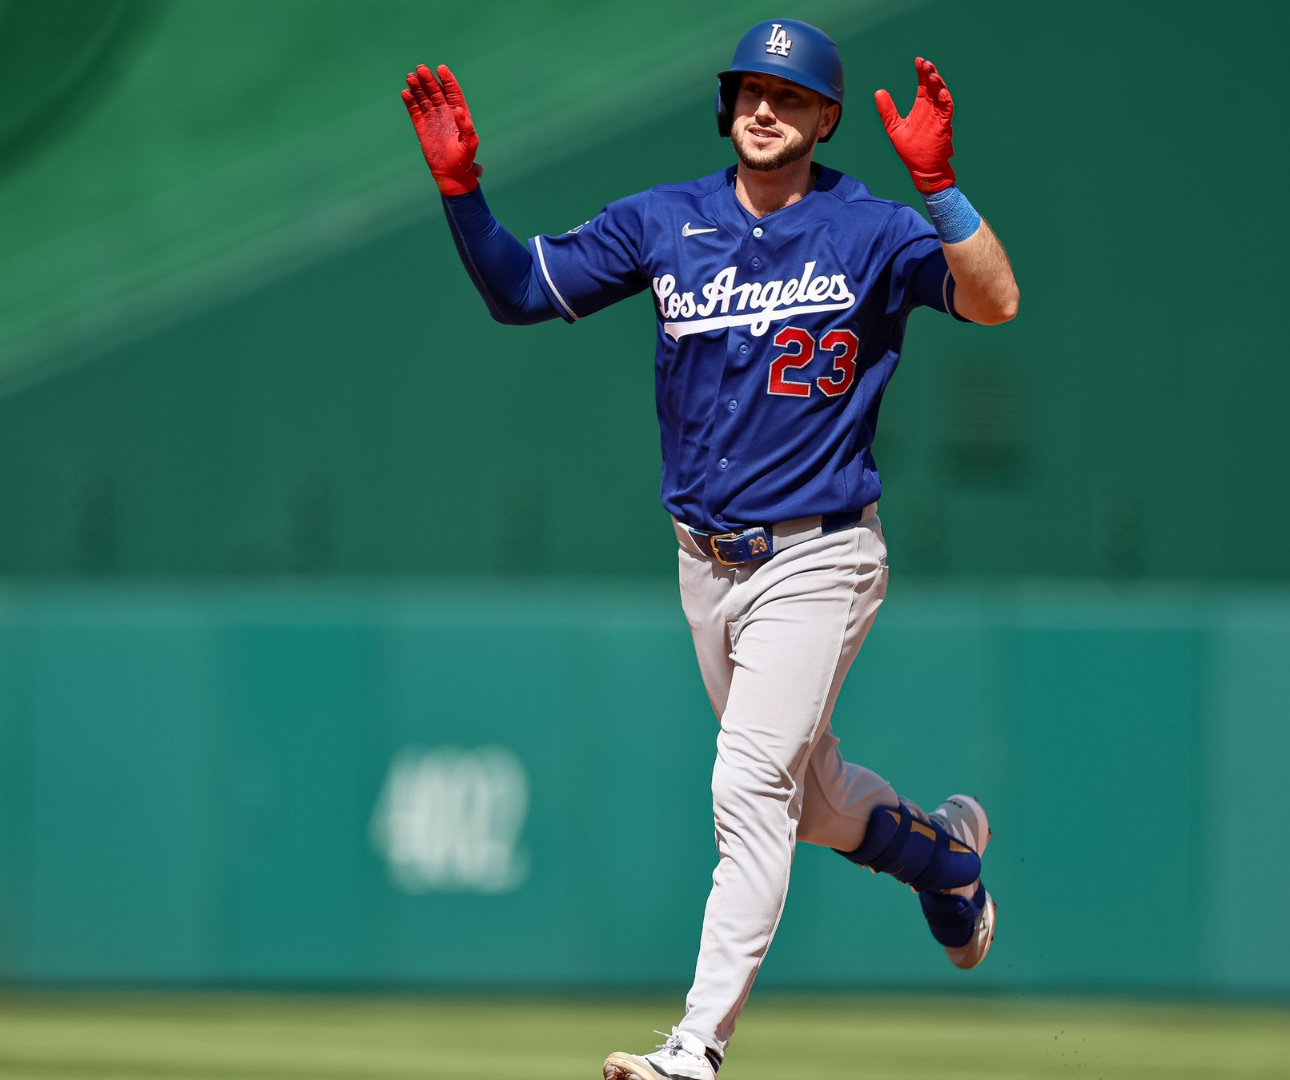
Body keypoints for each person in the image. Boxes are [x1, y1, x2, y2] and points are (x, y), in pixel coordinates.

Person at [402, 18, 1019, 1080]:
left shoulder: (868, 228)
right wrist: (464, 193)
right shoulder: (665, 221)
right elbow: (518, 292)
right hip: (707, 565)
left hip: (820, 555)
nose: (764, 107)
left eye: (789, 94)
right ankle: (946, 864)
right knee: (811, 800)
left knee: (746, 789)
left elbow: (994, 300)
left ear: (827, 118)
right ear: (727, 107)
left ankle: (697, 1048)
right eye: (747, 90)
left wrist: (942, 185)